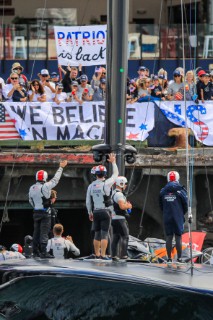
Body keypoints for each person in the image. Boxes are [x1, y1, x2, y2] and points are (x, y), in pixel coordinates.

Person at [29, 160, 67, 258]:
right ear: (45, 177)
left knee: (36, 232)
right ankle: (44, 252)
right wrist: (61, 167)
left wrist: (36, 207)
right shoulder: (45, 186)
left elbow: (30, 200)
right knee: (44, 232)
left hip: (36, 212)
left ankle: (35, 251)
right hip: (45, 213)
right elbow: (55, 180)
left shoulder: (31, 188)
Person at [86, 153, 118, 260]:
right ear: (104, 174)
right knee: (104, 233)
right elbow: (115, 175)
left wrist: (89, 212)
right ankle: (103, 255)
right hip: (106, 211)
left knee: (96, 233)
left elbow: (88, 201)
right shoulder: (107, 183)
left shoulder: (91, 186)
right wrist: (113, 162)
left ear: (95, 174)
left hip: (95, 211)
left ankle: (97, 254)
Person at [159, 171, 188, 265]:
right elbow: (185, 205)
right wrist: (181, 213)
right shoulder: (181, 190)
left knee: (169, 236)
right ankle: (179, 259)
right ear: (177, 178)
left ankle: (169, 259)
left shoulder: (163, 191)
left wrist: (166, 212)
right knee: (178, 236)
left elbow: (160, 205)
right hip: (178, 215)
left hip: (167, 215)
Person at [111, 176, 132, 261]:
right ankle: (124, 255)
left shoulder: (113, 193)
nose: (126, 185)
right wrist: (129, 205)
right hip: (120, 219)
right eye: (125, 184)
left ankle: (114, 255)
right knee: (125, 236)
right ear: (121, 183)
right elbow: (122, 206)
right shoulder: (119, 194)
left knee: (116, 236)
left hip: (114, 218)